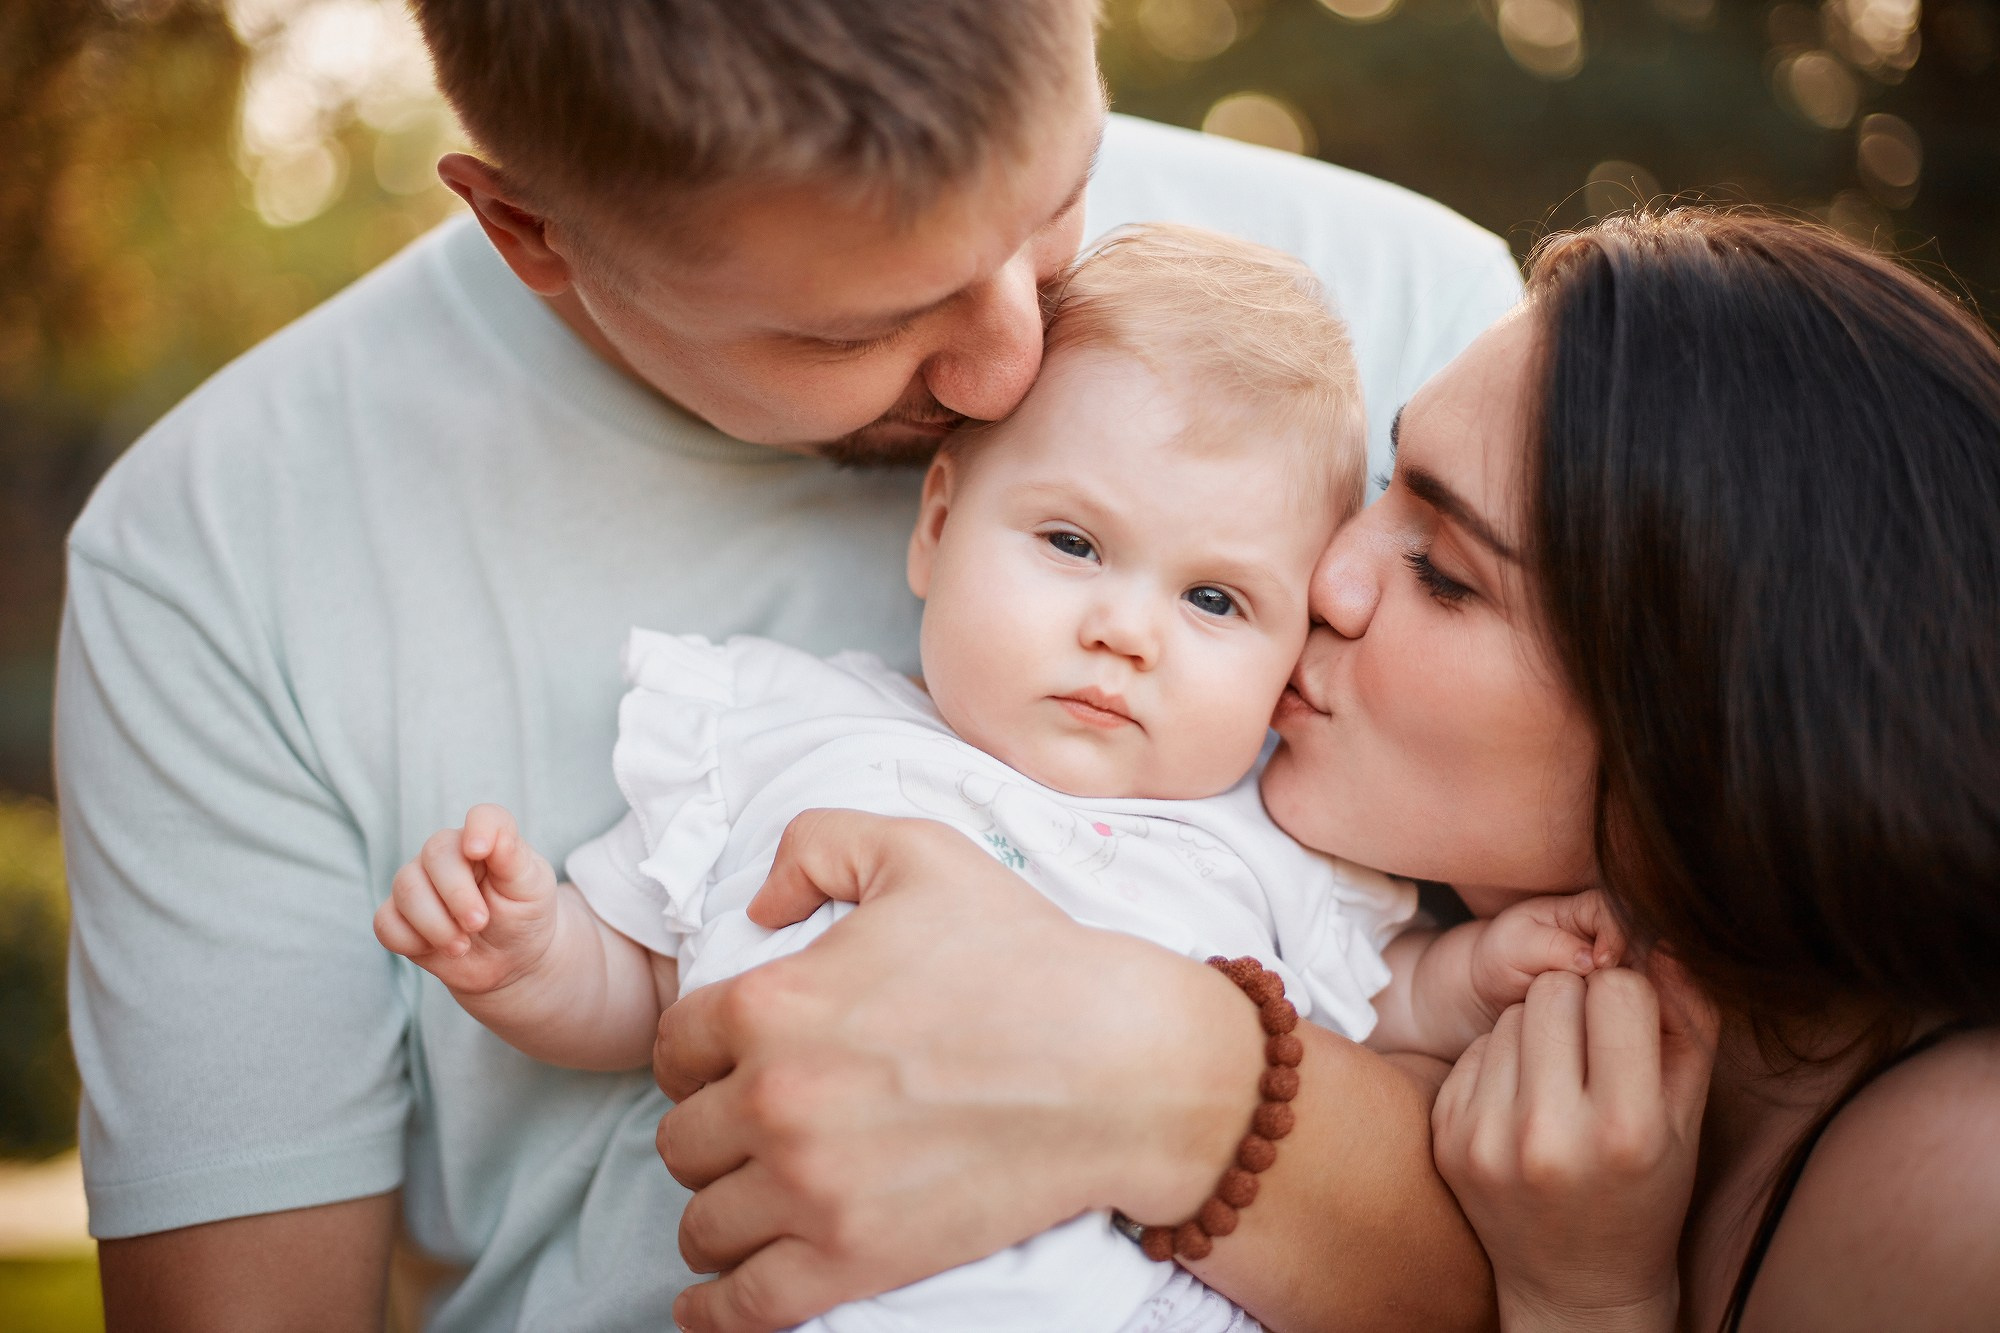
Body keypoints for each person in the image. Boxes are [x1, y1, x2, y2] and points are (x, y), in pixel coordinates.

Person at [55, 1, 1519, 1327]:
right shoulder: (216, 553)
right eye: (857, 328)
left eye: (1058, 206)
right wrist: (530, 953)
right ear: (530, 229)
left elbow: (1606, 1244)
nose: (1010, 368)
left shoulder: (1426, 360)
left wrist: (1166, 1077)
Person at [660, 208, 2000, 1333]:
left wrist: (1588, 1304)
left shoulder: (1957, 1185)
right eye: (1380, 490)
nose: (1329, 578)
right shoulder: (1410, 939)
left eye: (1444, 573)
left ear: (1701, 733)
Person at [378, 225, 1617, 1332]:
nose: (1124, 631)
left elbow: (1383, 1011)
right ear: (935, 527)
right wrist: (530, 958)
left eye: (1212, 600)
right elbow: (654, 986)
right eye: (1072, 543)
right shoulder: (787, 734)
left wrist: (1473, 977)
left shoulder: (1267, 839)